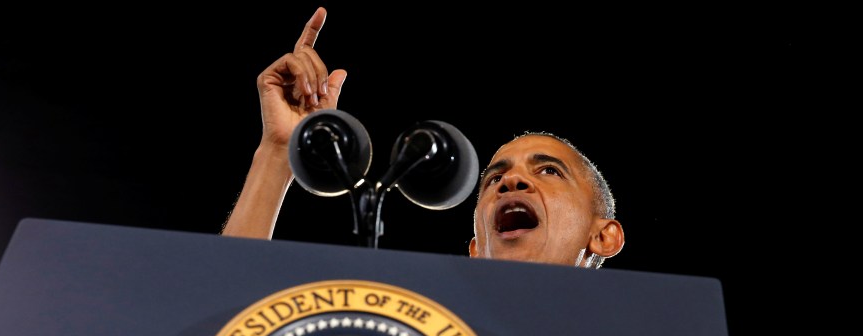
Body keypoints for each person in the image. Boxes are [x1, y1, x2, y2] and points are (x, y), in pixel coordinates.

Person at [222, 7, 624, 270]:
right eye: (492, 179)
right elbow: (219, 316)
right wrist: (278, 152)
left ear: (603, 236)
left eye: (550, 171)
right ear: (474, 250)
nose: (511, 183)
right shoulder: (422, 333)